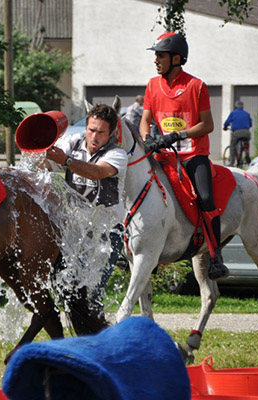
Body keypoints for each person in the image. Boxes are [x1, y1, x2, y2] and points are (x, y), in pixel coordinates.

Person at [140, 32, 229, 280]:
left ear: (176, 58)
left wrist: (178, 134)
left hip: (193, 155)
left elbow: (208, 125)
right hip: (164, 155)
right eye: (155, 56)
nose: (156, 60)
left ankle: (215, 256)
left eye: (161, 56)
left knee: (206, 196)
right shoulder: (151, 85)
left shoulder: (196, 86)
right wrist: (148, 139)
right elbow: (145, 121)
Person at [46, 104, 128, 297]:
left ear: (112, 133)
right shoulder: (73, 142)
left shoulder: (117, 154)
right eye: (91, 130)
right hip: (74, 228)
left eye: (101, 132)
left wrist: (66, 161)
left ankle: (96, 325)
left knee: (92, 291)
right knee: (65, 288)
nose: (94, 136)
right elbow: (46, 165)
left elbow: (97, 173)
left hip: (106, 231)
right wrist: (40, 146)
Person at [223, 100, 252, 167]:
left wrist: (225, 127)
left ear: (235, 106)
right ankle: (247, 154)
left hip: (237, 133)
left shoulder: (233, 113)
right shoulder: (247, 114)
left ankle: (232, 163)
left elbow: (227, 123)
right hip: (246, 132)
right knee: (246, 144)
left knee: (233, 146)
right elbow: (250, 124)